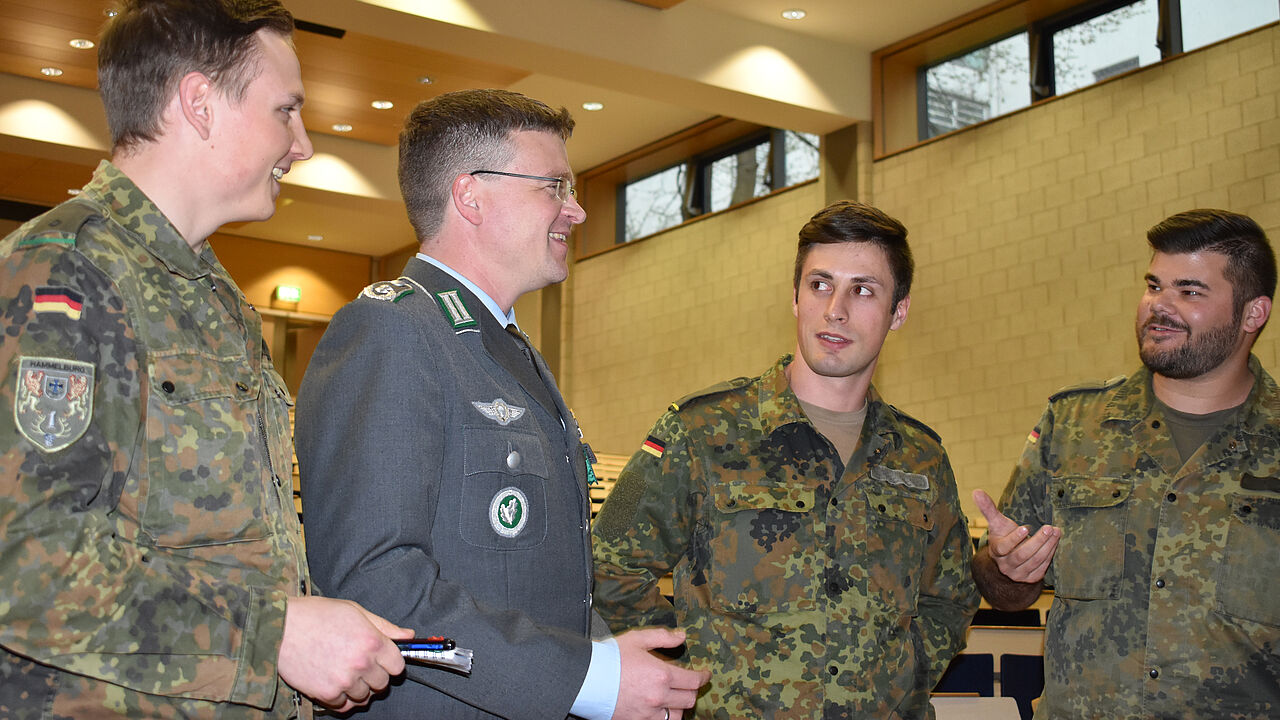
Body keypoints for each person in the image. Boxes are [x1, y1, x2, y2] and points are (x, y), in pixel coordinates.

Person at [0, 1, 414, 718]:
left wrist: (306, 648)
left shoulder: (214, 296)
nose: (304, 144)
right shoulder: (63, 276)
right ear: (199, 104)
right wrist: (274, 636)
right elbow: (26, 564)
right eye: (285, 110)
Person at [295, 88, 709, 720]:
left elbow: (526, 582)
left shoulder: (500, 347)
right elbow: (377, 587)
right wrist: (587, 680)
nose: (576, 212)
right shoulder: (394, 332)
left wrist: (601, 654)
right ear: (471, 196)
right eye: (555, 186)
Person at [591, 200, 980, 718]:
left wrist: (899, 682)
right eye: (820, 285)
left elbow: (949, 600)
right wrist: (692, 675)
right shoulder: (696, 430)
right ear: (795, 298)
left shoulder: (922, 458)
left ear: (899, 311)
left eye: (863, 290)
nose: (835, 309)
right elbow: (607, 561)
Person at [972, 209, 1280, 719]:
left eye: (1190, 291)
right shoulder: (1074, 426)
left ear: (1253, 314)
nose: (1160, 306)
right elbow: (1004, 591)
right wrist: (1008, 568)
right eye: (1154, 285)